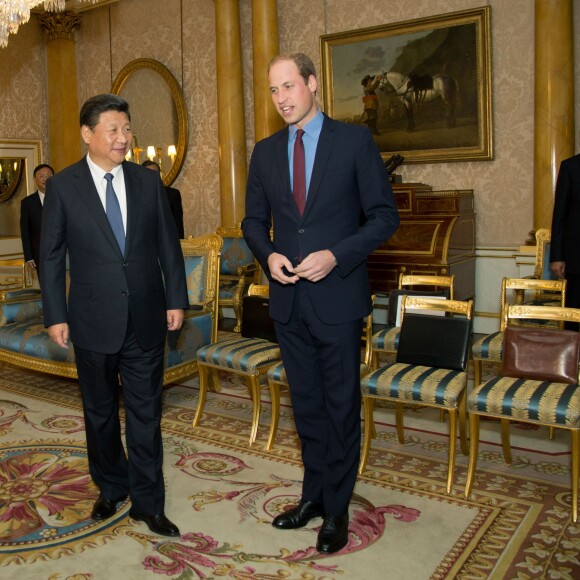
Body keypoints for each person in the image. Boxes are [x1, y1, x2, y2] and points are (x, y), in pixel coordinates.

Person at [242, 53, 399, 554]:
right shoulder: (265, 152)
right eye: (273, 90)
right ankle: (311, 496)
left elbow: (383, 217)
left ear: (312, 84)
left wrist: (336, 255)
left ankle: (336, 509)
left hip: (338, 298)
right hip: (288, 302)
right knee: (306, 408)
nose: (282, 98)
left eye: (289, 86)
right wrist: (267, 257)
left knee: (339, 407)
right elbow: (251, 222)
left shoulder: (354, 141)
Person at [40, 93, 188, 537]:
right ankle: (110, 487)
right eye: (114, 130)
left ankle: (149, 502)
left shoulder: (147, 183)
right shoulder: (64, 187)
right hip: (90, 320)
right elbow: (50, 257)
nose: (124, 138)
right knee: (100, 413)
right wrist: (54, 313)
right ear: (88, 135)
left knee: (147, 415)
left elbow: (168, 245)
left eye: (127, 129)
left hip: (145, 317)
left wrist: (176, 298)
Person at [550, 152, 580, 329]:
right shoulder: (571, 167)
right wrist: (556, 256)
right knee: (575, 316)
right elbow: (559, 215)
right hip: (577, 258)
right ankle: (574, 356)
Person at [20, 163, 54, 285]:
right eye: (41, 176)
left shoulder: (62, 198)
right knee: (46, 287)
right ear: (35, 179)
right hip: (39, 254)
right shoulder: (27, 203)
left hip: (63, 252)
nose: (46, 179)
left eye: (49, 176)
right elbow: (25, 231)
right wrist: (29, 256)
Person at [142, 159, 185, 238]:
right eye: (148, 173)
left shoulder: (173, 194)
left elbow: (178, 226)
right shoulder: (136, 195)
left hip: (167, 242)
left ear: (159, 175)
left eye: (154, 173)